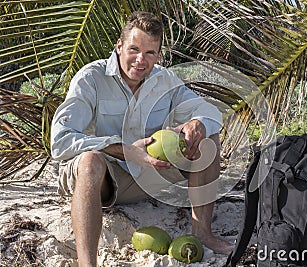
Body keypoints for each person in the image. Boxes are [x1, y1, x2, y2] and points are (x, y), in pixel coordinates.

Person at [50, 11, 234, 266]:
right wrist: (123, 149)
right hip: (103, 180)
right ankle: (86, 263)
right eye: (134, 49)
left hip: (152, 176)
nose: (140, 60)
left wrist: (197, 122)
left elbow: (210, 111)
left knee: (208, 138)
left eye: (150, 53)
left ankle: (203, 233)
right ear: (119, 46)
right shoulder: (91, 78)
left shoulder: (165, 79)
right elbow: (60, 141)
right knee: (90, 160)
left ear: (158, 54)